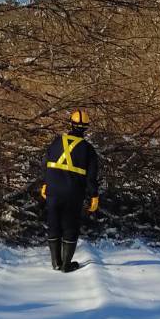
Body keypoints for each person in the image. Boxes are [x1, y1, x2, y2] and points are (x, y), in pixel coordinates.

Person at [40, 109, 101, 272]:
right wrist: (94, 195)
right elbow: (91, 177)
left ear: (71, 124)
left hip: (53, 190)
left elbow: (46, 163)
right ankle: (66, 264)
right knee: (70, 226)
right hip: (73, 194)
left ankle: (56, 262)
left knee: (53, 224)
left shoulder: (56, 142)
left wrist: (45, 183)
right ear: (86, 128)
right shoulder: (88, 150)